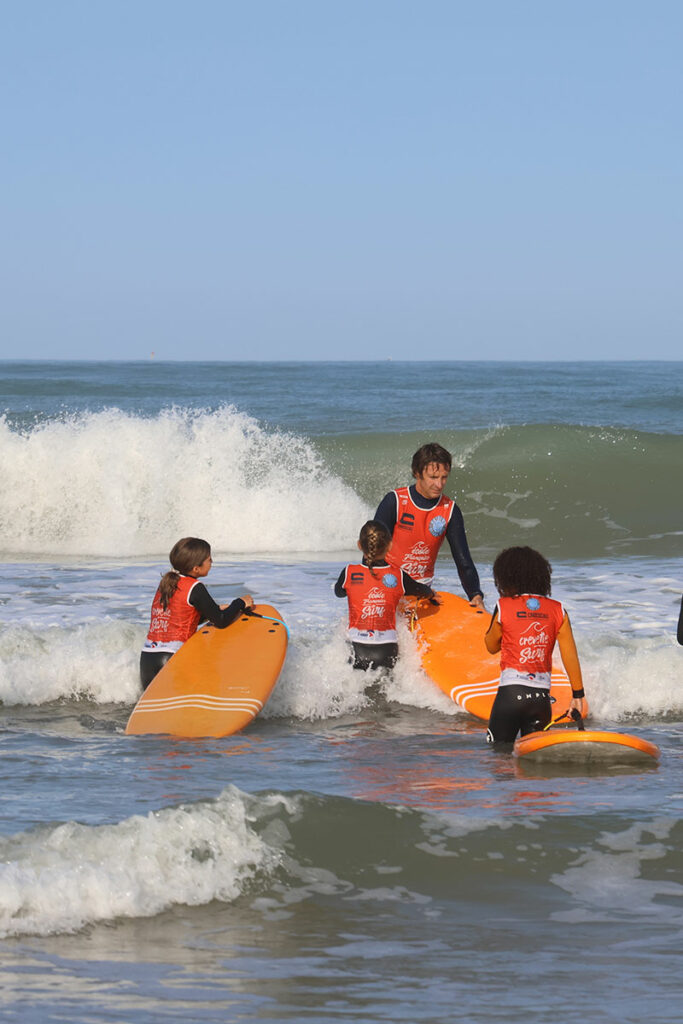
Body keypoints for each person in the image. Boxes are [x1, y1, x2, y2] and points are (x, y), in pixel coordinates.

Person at [484, 546, 585, 744]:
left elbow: (491, 646)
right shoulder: (558, 610)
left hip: (510, 696)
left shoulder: (503, 606)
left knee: (498, 753)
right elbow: (570, 655)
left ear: (505, 577)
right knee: (533, 755)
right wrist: (578, 695)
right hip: (541, 700)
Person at [374, 442, 484, 608]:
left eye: (444, 477)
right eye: (433, 477)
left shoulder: (450, 511)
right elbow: (372, 554)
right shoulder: (394, 502)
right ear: (417, 473)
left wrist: (475, 594)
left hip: (423, 593)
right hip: (387, 587)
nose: (439, 485)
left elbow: (463, 561)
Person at [140, 537, 253, 688]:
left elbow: (179, 618)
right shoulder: (194, 587)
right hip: (174, 657)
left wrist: (213, 610)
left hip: (147, 659)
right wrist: (239, 603)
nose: (211, 562)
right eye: (209, 559)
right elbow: (221, 621)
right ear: (196, 568)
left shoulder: (166, 583)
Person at [335, 520, 436, 670]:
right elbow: (422, 591)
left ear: (359, 545)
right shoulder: (398, 575)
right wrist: (431, 594)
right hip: (386, 650)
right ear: (390, 546)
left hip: (356, 648)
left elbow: (338, 593)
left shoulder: (349, 572)